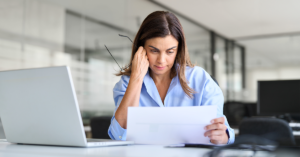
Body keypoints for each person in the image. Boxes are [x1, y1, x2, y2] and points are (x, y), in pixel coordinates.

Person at [108, 11, 235, 144]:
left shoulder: (201, 80)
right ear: (141, 49)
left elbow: (223, 132)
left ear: (178, 50)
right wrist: (136, 78)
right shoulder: (127, 83)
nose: (161, 60)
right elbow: (118, 136)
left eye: (170, 51)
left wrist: (223, 136)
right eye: (154, 50)